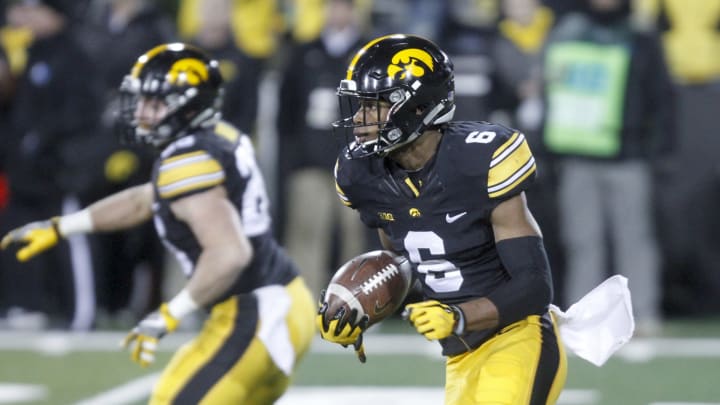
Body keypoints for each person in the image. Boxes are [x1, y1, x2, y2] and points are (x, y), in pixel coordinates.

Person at [1, 43, 316, 404]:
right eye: (141, 101)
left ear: (190, 105)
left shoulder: (189, 162)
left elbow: (230, 253)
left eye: (155, 103)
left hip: (255, 314)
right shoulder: (215, 138)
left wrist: (169, 314)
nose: (142, 113)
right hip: (283, 300)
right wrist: (63, 227)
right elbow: (143, 200)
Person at [316, 34, 567, 404]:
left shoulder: (479, 159)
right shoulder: (361, 175)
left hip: (517, 336)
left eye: (375, 105)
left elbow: (534, 286)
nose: (359, 119)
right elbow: (405, 264)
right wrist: (357, 306)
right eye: (360, 106)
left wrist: (460, 316)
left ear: (418, 107)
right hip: (459, 352)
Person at [541, 0, 675, 332]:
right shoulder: (568, 34)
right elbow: (550, 92)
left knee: (635, 239)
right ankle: (583, 317)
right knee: (582, 241)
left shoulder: (640, 36)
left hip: (629, 154)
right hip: (577, 153)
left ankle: (642, 314)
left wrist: (656, 149)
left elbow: (661, 96)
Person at [0, 0, 103, 330]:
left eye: (34, 10)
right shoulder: (32, 53)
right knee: (20, 237)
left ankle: (82, 313)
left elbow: (82, 115)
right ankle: (27, 305)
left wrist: (43, 144)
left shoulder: (75, 55)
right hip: (25, 174)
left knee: (71, 237)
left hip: (59, 172)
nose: (25, 18)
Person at [277, 0, 370, 297]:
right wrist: (292, 159)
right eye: (332, 6)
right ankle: (303, 302)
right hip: (311, 160)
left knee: (356, 236)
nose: (337, 13)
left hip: (358, 163)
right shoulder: (304, 52)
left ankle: (357, 302)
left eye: (343, 6)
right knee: (306, 232)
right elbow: (286, 114)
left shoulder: (368, 54)